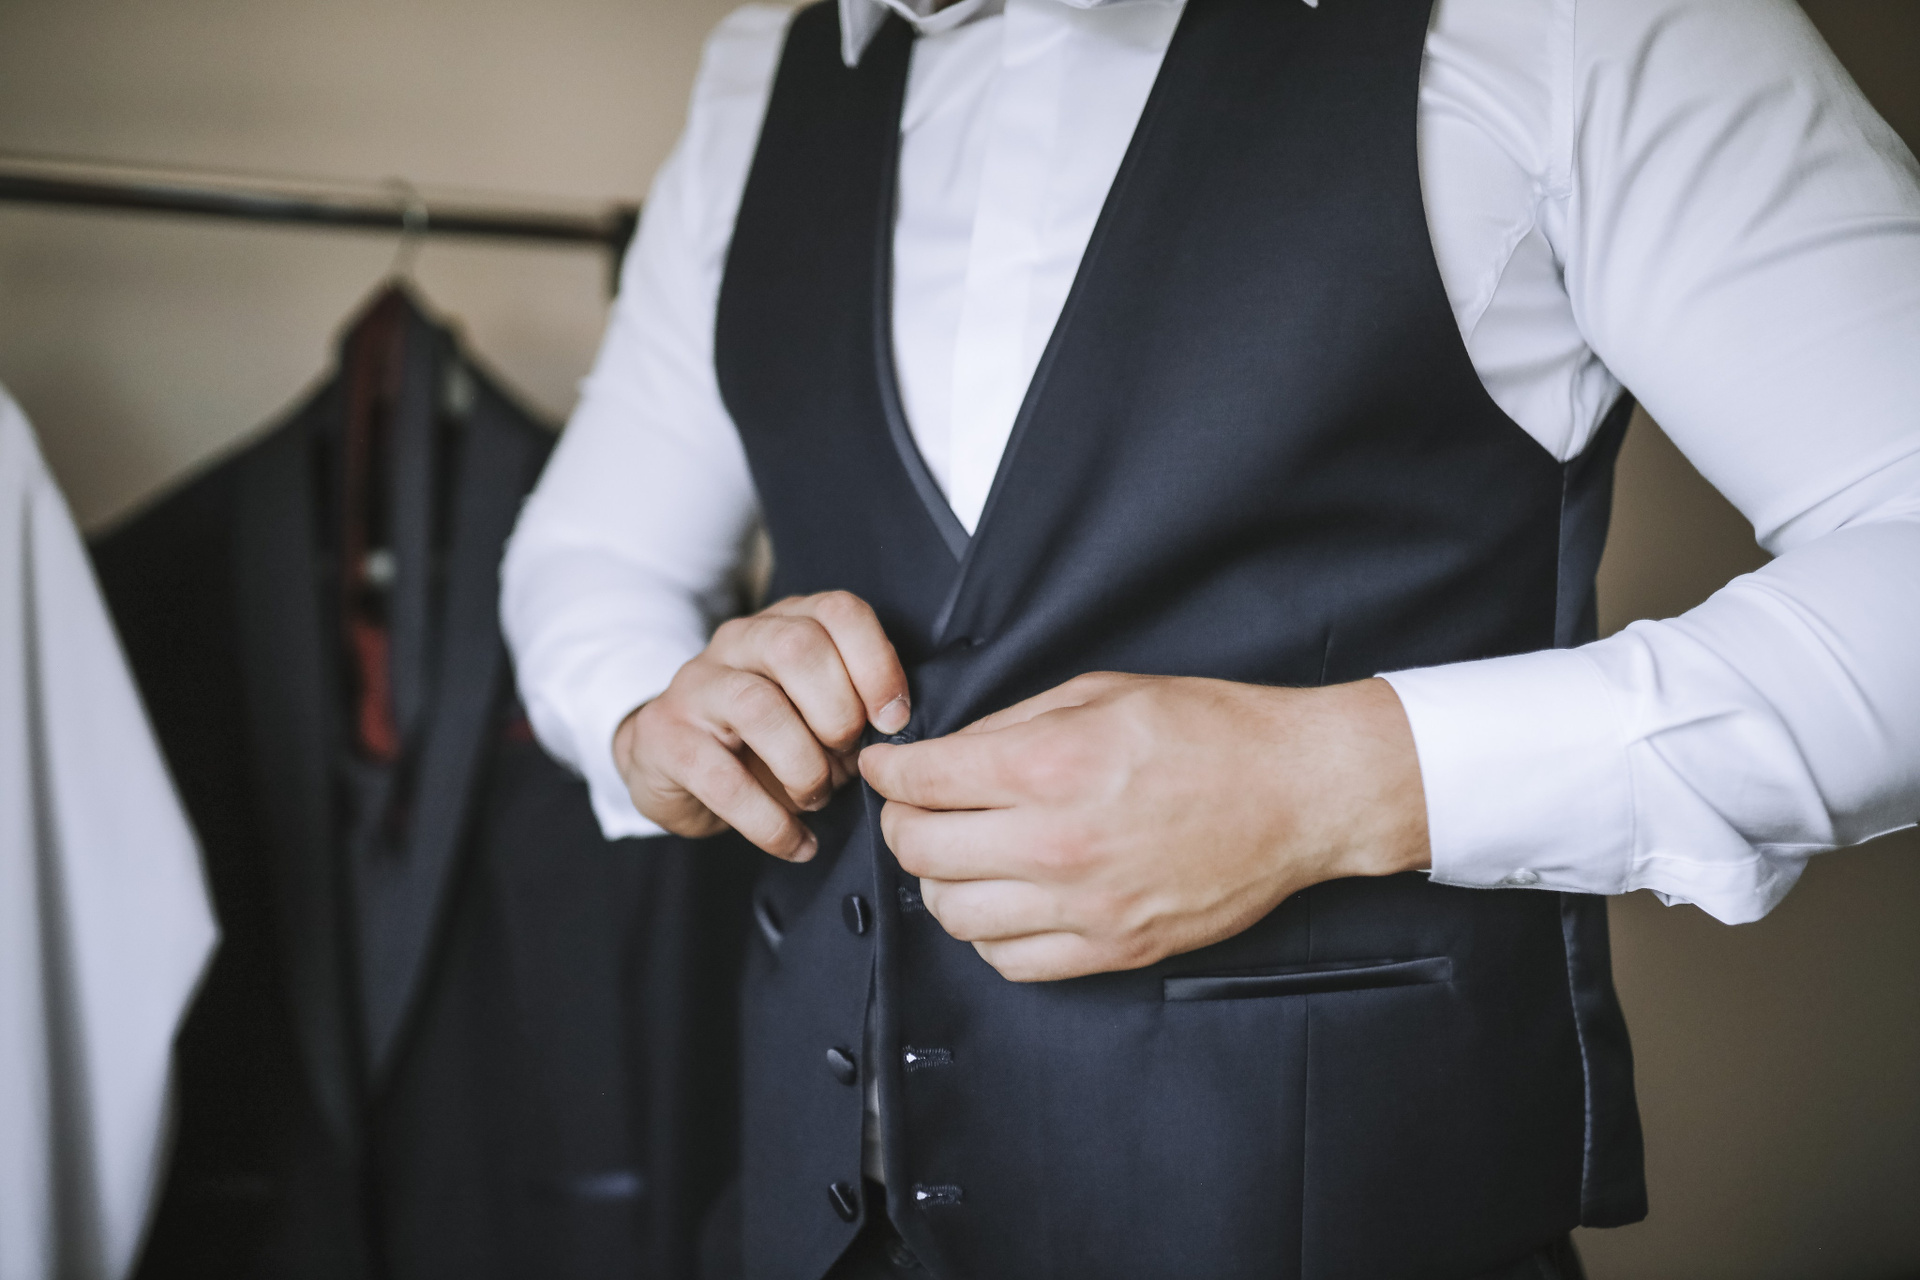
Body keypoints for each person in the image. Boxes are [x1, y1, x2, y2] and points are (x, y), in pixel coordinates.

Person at [501, 0, 1920, 1276]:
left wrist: (1339, 779)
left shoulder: (1567, 23)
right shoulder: (766, 70)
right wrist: (648, 718)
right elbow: (596, 557)